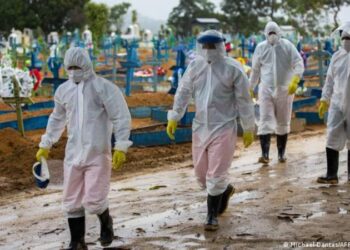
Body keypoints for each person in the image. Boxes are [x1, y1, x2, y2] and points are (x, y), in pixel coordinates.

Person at [35, 47, 132, 249]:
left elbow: (120, 116)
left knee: (95, 200)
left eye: (77, 66)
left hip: (97, 153)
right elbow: (57, 119)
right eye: (69, 67)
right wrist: (46, 144)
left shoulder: (103, 88)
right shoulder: (63, 90)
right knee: (71, 200)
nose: (73, 71)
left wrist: (121, 146)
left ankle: (106, 223)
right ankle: (77, 241)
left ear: (86, 65)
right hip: (72, 155)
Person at [166, 30, 255, 231]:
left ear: (221, 46)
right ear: (199, 47)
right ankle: (225, 190)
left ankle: (211, 216)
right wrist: (174, 116)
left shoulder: (233, 69)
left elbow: (244, 99)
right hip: (200, 127)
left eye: (212, 46)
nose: (208, 51)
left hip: (224, 127)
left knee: (215, 174)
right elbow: (183, 92)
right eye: (204, 46)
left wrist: (248, 126)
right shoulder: (195, 67)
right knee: (201, 175)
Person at [250, 21, 304, 164]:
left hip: (285, 89)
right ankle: (265, 154)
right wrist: (250, 87)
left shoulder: (287, 46)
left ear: (279, 33)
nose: (272, 35)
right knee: (265, 120)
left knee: (283, 120)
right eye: (270, 33)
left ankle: (281, 154)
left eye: (274, 32)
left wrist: (295, 80)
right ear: (265, 34)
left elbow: (299, 63)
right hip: (266, 88)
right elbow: (255, 70)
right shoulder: (260, 48)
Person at [317, 22, 350, 184]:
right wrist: (324, 99)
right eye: (343, 37)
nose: (346, 40)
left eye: (348, 37)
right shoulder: (336, 57)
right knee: (332, 136)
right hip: (337, 103)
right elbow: (329, 81)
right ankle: (332, 175)